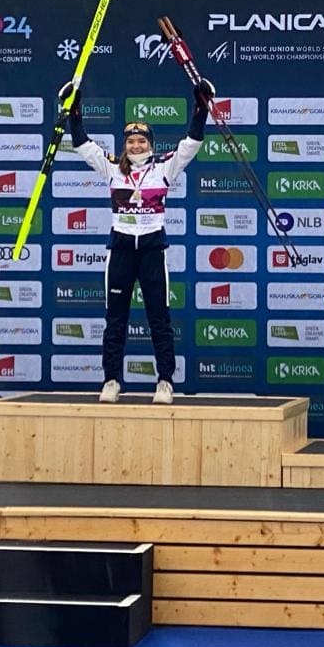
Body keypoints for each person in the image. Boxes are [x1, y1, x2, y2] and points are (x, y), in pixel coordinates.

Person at [62, 77, 210, 406]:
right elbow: (84, 146)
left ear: (150, 144)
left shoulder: (164, 168)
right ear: (124, 145)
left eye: (141, 141)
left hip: (153, 248)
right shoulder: (113, 168)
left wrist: (201, 108)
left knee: (159, 317)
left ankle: (165, 381)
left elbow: (191, 144)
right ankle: (112, 380)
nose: (136, 146)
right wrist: (74, 112)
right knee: (116, 317)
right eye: (131, 141)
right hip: (122, 249)